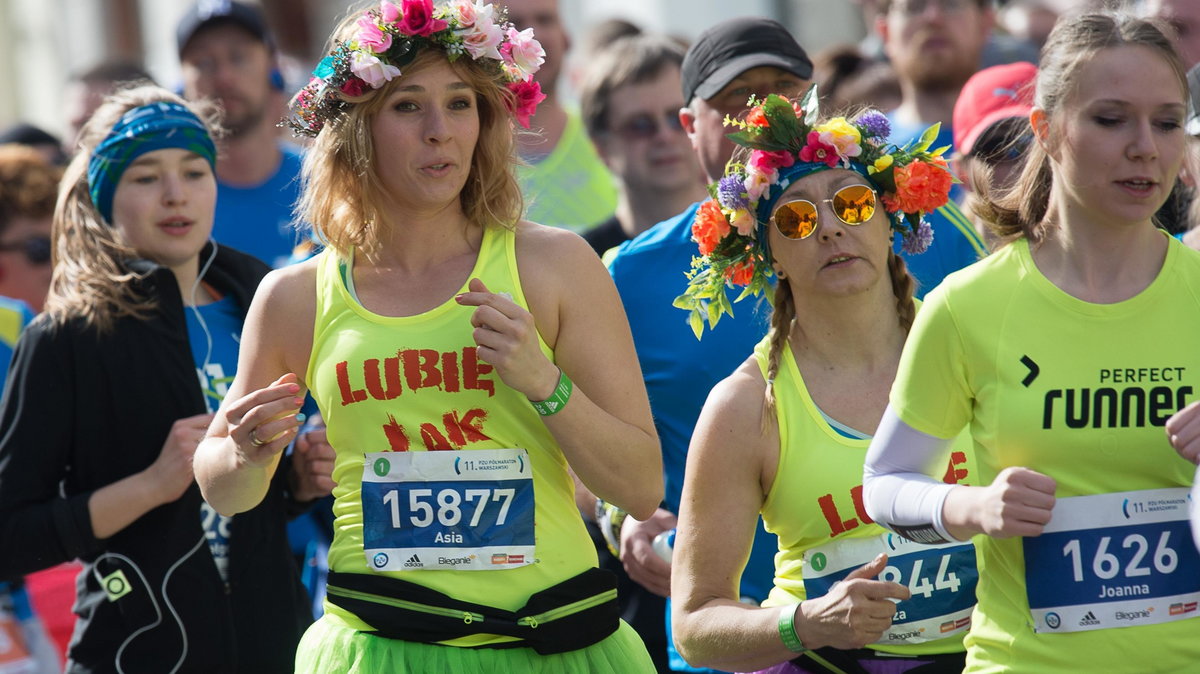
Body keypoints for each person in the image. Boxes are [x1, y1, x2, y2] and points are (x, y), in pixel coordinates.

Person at [193, 3, 662, 672]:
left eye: (461, 103)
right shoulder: (295, 294)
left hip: (555, 644)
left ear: (487, 121)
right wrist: (242, 452)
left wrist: (545, 383)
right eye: (408, 106)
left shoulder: (556, 267)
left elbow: (641, 487)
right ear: (358, 130)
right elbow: (224, 491)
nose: (440, 131)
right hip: (380, 649)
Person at [862, 13, 1200, 672]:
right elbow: (884, 484)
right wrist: (972, 506)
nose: (1145, 148)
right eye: (1110, 119)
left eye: (1166, 123)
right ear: (1046, 130)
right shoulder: (967, 306)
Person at [0, 86, 312, 673]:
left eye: (194, 172)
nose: (176, 195)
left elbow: (248, 511)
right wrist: (151, 483)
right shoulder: (68, 335)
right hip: (134, 653)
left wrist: (297, 481)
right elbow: (11, 535)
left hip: (274, 646)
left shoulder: (262, 307)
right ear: (104, 193)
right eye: (146, 177)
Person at [670, 87, 974, 674]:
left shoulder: (974, 348)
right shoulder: (745, 406)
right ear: (769, 255)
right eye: (797, 218)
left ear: (891, 220)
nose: (831, 229)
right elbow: (695, 625)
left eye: (853, 204)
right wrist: (808, 622)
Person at [603, 17, 812, 674]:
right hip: (726, 633)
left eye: (785, 91)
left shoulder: (909, 234)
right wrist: (620, 516)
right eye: (736, 100)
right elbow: (571, 435)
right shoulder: (628, 276)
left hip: (906, 615)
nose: (766, 115)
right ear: (690, 125)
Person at [177, 0, 302, 267]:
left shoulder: (329, 183)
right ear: (181, 79)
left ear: (273, 65)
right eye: (203, 62)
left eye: (238, 57)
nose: (224, 77)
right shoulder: (170, 200)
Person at [579, 34, 706, 257]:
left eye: (678, 119)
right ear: (601, 147)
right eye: (639, 125)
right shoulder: (584, 260)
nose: (665, 136)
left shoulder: (752, 234)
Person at [506, 0, 620, 233]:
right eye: (514, 24)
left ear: (566, 38)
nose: (531, 38)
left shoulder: (611, 136)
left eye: (545, 20)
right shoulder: (464, 148)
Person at [951, 62, 1037, 247]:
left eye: (1036, 140)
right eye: (998, 146)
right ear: (962, 173)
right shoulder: (944, 265)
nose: (1027, 161)